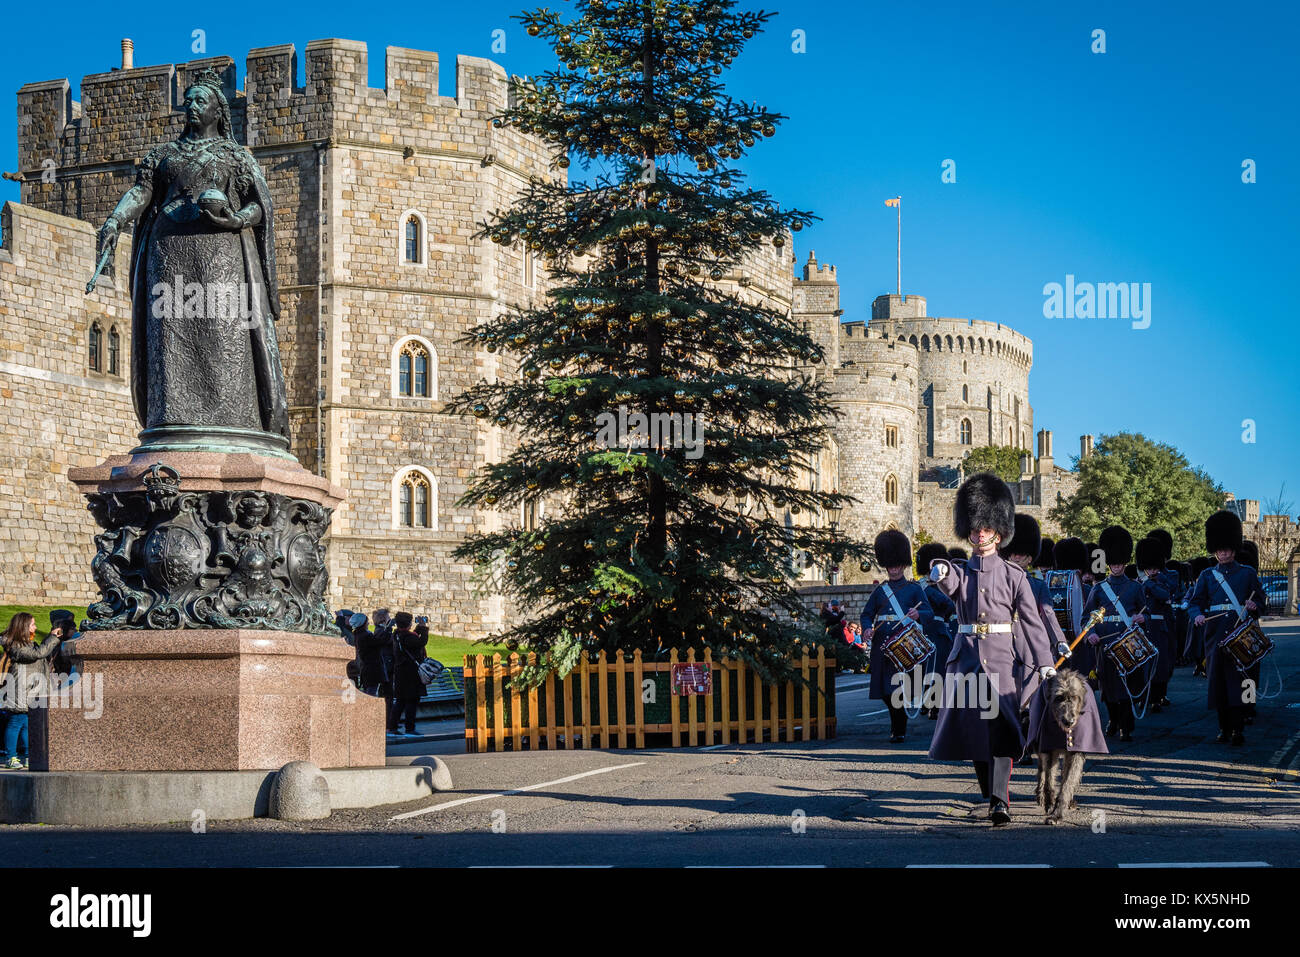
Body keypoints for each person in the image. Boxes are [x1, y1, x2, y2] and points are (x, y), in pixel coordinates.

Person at [927, 473, 1055, 826]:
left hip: (1001, 661)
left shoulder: (1015, 576)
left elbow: (1031, 623)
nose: (980, 535)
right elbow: (947, 580)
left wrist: (1045, 663)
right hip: (967, 661)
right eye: (975, 529)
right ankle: (990, 792)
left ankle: (1000, 800)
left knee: (1001, 730)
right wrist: (938, 570)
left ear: (999, 533)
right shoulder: (960, 572)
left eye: (987, 529)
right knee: (975, 733)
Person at [1187, 510, 1267, 746]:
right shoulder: (1207, 575)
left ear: (1233, 549)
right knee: (1219, 684)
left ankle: (1238, 728)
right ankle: (1223, 727)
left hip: (1240, 637)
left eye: (1227, 549)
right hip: (1215, 637)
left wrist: (1254, 605)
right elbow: (1195, 602)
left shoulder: (1247, 574)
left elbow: (1261, 601)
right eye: (1219, 549)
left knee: (1240, 683)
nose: (1222, 553)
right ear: (1215, 550)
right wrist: (1198, 616)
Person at [860, 530, 934, 743]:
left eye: (896, 565)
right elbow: (867, 614)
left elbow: (929, 612)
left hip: (906, 644)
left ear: (902, 564)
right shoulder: (879, 591)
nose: (893, 569)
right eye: (890, 565)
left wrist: (918, 613)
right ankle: (898, 725)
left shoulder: (914, 589)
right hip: (883, 644)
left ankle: (898, 729)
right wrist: (866, 628)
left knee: (899, 689)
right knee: (886, 690)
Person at [1080, 526, 1148, 742]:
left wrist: (1141, 618)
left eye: (1119, 563)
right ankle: (1113, 719)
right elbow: (1085, 619)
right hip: (1104, 644)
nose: (1116, 566)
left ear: (1125, 562)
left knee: (1126, 685)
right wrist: (1090, 633)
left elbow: (1145, 613)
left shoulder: (1135, 588)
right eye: (1113, 563)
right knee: (1108, 687)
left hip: (1127, 643)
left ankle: (1126, 726)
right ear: (1108, 563)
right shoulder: (1098, 589)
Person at [1, 613, 64, 769]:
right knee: (16, 723)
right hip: (20, 690)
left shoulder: (28, 644)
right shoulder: (16, 645)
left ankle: (30, 755)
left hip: (31, 690)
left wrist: (49, 638)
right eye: (33, 624)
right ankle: (11, 757)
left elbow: (40, 653)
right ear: (23, 626)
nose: (35, 627)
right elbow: (38, 654)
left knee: (27, 725)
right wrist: (52, 638)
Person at [915, 542, 957, 719]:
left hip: (934, 629)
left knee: (935, 668)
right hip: (932, 629)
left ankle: (932, 703)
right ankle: (930, 703)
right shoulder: (925, 587)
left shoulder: (931, 586)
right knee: (932, 668)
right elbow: (947, 604)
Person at [1135, 538, 1175, 712]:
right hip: (1143, 628)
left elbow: (1165, 595)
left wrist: (1149, 583)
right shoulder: (1138, 582)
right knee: (1143, 663)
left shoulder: (1163, 580)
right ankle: (1144, 696)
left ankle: (1157, 697)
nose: (1151, 570)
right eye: (1148, 568)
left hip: (1158, 626)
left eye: (1153, 567)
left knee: (1159, 664)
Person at [388, 612, 427, 738]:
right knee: (412, 700)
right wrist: (424, 628)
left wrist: (419, 627)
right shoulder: (407, 637)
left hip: (401, 673)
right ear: (408, 624)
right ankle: (410, 729)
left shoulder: (398, 635)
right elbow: (421, 642)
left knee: (400, 701)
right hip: (410, 673)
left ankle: (392, 728)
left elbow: (413, 638)